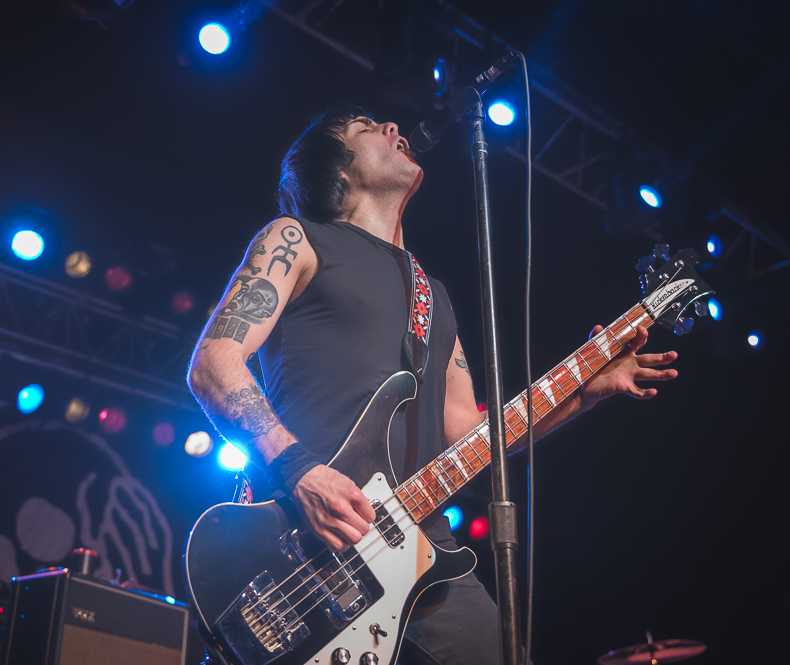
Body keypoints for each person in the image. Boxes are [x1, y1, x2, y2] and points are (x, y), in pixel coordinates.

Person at [185, 105, 678, 664]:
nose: (394, 128)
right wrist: (298, 472)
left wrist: (587, 389)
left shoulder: (432, 294)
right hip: (303, 541)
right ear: (338, 171)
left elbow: (472, 434)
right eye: (368, 127)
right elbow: (215, 362)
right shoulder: (297, 239)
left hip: (419, 545)